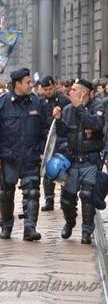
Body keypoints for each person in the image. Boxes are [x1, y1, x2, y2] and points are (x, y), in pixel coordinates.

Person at [0, 68, 47, 241]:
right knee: (5, 194)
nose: (31, 85)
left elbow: (44, 129)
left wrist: (42, 150)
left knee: (33, 193)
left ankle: (30, 228)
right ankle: (6, 226)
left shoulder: (36, 102)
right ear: (17, 84)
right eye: (28, 82)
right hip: (8, 157)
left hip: (30, 156)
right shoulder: (2, 102)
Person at [53, 79, 105, 244]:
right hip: (72, 160)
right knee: (67, 199)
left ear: (82, 93)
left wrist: (80, 108)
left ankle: (86, 231)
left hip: (90, 159)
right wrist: (59, 119)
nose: (70, 92)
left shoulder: (98, 107)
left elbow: (96, 125)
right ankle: (70, 222)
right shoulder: (68, 109)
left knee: (87, 195)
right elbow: (62, 133)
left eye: (73, 90)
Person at [38, 76, 70, 211]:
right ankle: (49, 200)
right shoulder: (40, 102)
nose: (48, 92)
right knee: (47, 170)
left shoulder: (63, 99)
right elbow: (40, 122)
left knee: (62, 169)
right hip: (47, 139)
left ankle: (65, 199)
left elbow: (68, 118)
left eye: (50, 89)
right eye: (46, 89)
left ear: (55, 86)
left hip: (62, 139)